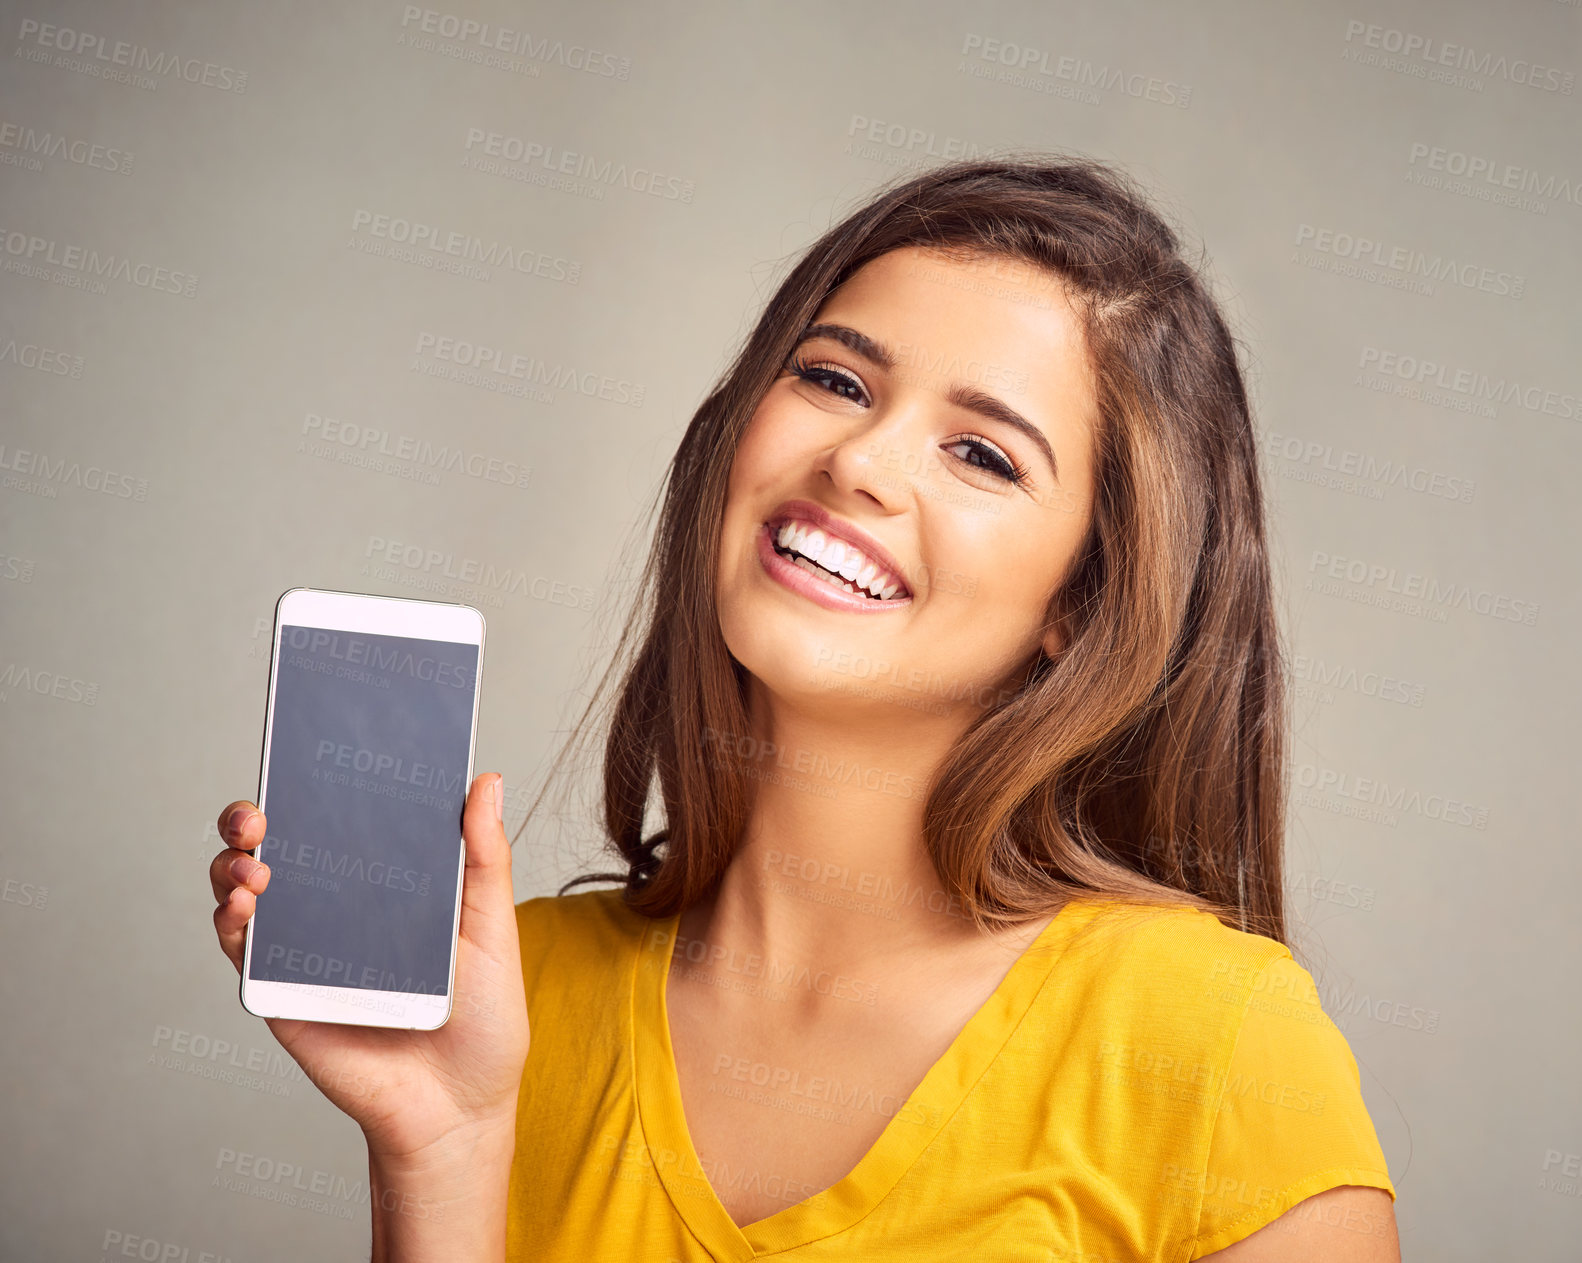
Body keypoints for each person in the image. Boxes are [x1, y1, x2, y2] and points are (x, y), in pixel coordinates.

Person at [210, 156, 1401, 1262]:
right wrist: (442, 1151)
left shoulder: (1214, 1043)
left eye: (982, 455)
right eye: (834, 380)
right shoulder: (504, 995)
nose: (861, 462)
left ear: (1081, 607)